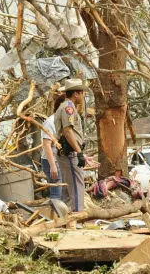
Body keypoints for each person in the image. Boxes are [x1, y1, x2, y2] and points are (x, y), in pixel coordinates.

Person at [53, 78, 90, 212]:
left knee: (70, 187)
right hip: (69, 152)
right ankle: (77, 216)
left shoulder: (66, 106)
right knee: (76, 185)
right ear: (76, 94)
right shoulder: (68, 107)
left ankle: (67, 216)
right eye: (81, 93)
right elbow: (68, 132)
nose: (82, 95)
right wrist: (79, 152)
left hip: (68, 152)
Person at [40, 91, 67, 202]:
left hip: (60, 159)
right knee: (56, 190)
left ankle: (61, 213)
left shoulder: (62, 121)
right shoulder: (50, 122)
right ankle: (55, 216)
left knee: (61, 189)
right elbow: (46, 145)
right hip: (51, 160)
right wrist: (53, 166)